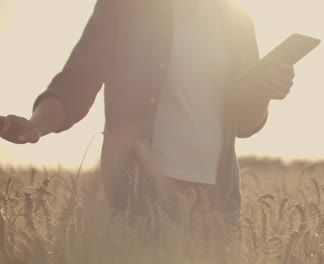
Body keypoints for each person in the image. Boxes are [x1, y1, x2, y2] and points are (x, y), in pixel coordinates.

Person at [0, 0, 294, 220]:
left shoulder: (236, 19)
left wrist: (265, 91)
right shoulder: (123, 8)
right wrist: (35, 125)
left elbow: (244, 123)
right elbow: (75, 84)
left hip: (217, 202)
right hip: (140, 198)